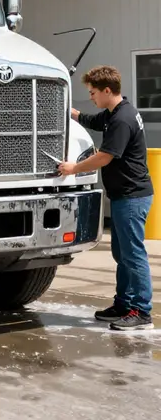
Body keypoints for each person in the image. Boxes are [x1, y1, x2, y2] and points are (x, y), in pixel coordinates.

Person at [57, 65, 154, 330]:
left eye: (92, 93)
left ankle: (141, 311)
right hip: (125, 195)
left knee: (132, 255)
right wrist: (70, 111)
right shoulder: (116, 113)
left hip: (132, 197)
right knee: (122, 254)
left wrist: (73, 168)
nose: (91, 97)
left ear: (107, 90)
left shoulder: (122, 120)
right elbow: (92, 120)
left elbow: (105, 156)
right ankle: (124, 303)